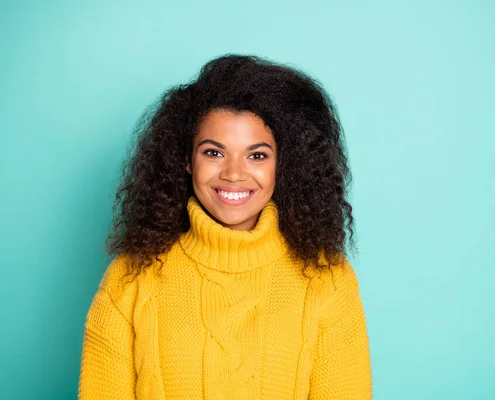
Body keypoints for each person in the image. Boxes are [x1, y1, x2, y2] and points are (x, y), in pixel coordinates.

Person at [78, 54, 372, 400]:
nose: (233, 173)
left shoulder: (328, 279)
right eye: (214, 153)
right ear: (186, 160)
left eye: (257, 155)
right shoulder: (130, 278)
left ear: (284, 164)